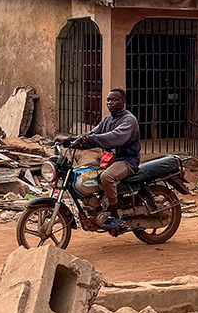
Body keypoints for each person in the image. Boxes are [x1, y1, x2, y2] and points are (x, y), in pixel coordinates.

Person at [56, 88, 140, 229]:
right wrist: (67, 141)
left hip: (126, 160)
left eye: (114, 100)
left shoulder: (129, 120)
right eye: (108, 100)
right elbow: (90, 136)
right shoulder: (107, 120)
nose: (110, 102)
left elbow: (113, 138)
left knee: (106, 177)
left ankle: (114, 214)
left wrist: (91, 138)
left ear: (123, 102)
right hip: (108, 159)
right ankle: (94, 205)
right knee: (79, 173)